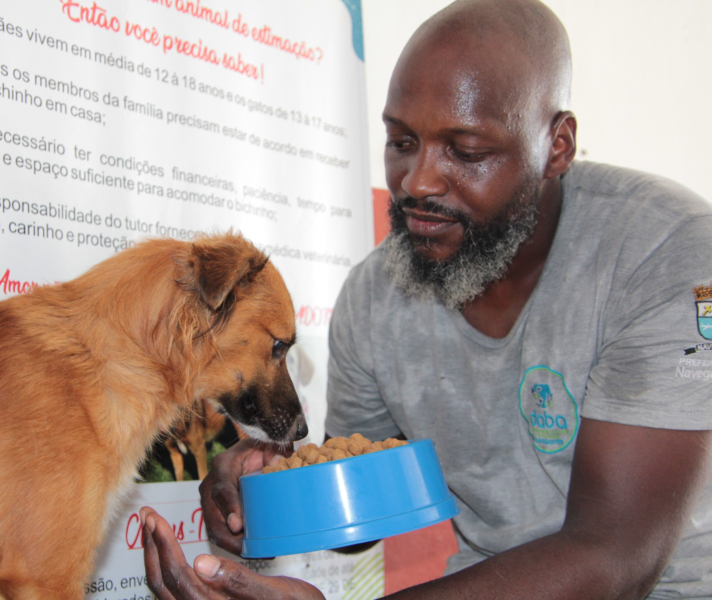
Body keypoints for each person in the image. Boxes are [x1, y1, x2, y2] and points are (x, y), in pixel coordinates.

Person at [141, 0, 712, 597]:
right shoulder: (371, 298)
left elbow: (616, 556)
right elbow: (363, 513)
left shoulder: (668, 253)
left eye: (465, 152)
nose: (418, 182)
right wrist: (273, 496)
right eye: (401, 142)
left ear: (557, 145)